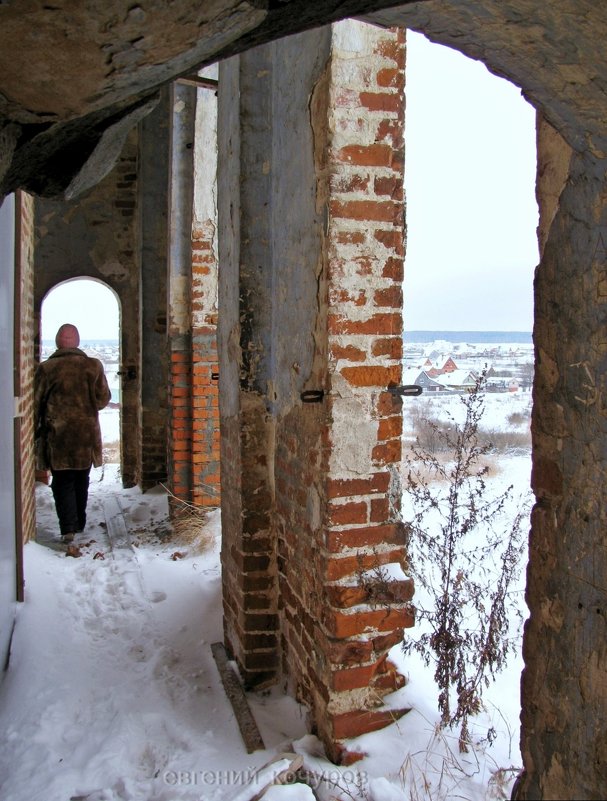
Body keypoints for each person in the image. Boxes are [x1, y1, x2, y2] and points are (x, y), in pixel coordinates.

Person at [34, 323, 111, 543]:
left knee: (62, 480)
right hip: (85, 435)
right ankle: (79, 522)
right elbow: (102, 400)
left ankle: (68, 527)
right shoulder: (93, 366)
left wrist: (35, 431)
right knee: (81, 478)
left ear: (58, 342)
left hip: (57, 435)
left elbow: (36, 403)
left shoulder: (47, 369)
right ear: (76, 342)